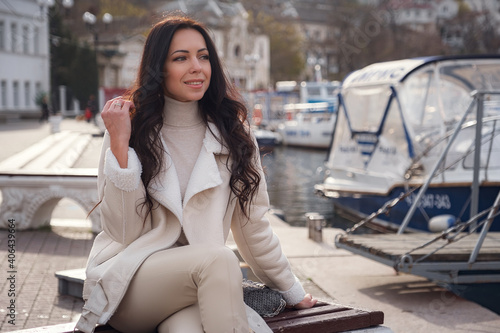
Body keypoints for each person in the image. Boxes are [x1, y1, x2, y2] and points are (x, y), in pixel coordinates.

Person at [76, 14, 316, 333]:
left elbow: (254, 228)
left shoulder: (234, 134)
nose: (197, 67)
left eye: (203, 57)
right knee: (219, 259)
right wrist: (120, 147)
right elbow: (123, 232)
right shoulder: (127, 130)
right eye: (181, 58)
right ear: (158, 68)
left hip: (196, 289)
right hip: (130, 282)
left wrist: (292, 291)